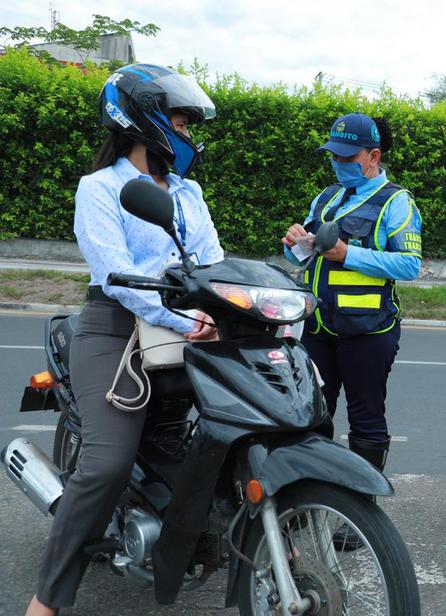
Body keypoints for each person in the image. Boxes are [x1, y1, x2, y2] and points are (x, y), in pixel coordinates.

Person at [26, 64, 223, 616]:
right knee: (107, 464)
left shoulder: (187, 193)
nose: (187, 133)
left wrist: (220, 309)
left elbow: (210, 261)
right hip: (113, 328)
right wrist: (187, 322)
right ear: (144, 120)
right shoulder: (100, 187)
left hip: (180, 327)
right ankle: (46, 599)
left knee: (230, 432)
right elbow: (114, 274)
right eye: (181, 121)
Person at [282, 112, 422, 546]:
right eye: (333, 156)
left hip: (369, 332)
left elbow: (410, 265)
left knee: (366, 421)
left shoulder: (397, 202)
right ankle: (309, 503)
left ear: (373, 156)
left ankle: (361, 513)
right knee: (312, 419)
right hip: (319, 326)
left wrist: (349, 254)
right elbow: (303, 258)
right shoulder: (327, 198)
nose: (338, 163)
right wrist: (293, 246)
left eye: (347, 156)